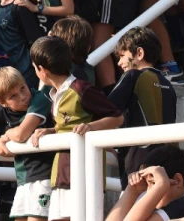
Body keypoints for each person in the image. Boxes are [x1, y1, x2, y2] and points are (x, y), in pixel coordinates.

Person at [29, 36, 123, 221]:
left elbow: (117, 117)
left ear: (43, 70)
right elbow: (69, 125)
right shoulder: (54, 93)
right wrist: (50, 131)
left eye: (34, 67)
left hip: (84, 172)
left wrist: (90, 127)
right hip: (62, 171)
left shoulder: (81, 88)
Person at [0, 65, 54, 221]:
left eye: (23, 88)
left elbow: (21, 134)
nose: (22, 96)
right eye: (13, 96)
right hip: (23, 177)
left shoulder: (39, 99)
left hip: (45, 174)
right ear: (2, 102)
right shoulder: (0, 110)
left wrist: (7, 133)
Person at [107, 27, 176, 175]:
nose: (119, 63)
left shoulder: (132, 76)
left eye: (122, 56)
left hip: (137, 165)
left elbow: (107, 110)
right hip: (166, 163)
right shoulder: (168, 84)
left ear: (139, 53)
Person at [105, 144, 184, 221]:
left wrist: (161, 186)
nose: (150, 191)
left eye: (154, 183)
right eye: (147, 185)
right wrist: (131, 191)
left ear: (178, 180)